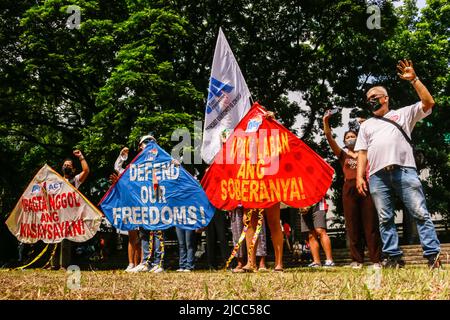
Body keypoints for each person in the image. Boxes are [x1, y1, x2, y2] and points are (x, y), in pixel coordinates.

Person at [355, 59, 441, 269]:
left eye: (375, 97)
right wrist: (359, 176)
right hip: (376, 176)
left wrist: (415, 80)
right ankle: (393, 258)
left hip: (405, 170)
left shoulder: (402, 114)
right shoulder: (366, 126)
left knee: (420, 212)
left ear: (386, 98)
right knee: (384, 219)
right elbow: (362, 153)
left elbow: (428, 103)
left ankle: (433, 256)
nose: (371, 100)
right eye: (368, 99)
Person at [323, 111, 381, 269]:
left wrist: (364, 125)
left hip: (365, 186)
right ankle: (357, 260)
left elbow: (371, 138)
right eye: (347, 137)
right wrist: (326, 121)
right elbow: (329, 137)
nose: (350, 139)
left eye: (352, 136)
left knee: (370, 225)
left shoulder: (366, 152)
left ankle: (376, 260)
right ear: (344, 141)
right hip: (349, 189)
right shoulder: (342, 154)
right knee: (353, 225)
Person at [51, 149, 89, 270]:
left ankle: (64, 265)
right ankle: (53, 264)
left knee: (65, 242)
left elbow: (86, 171)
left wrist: (81, 157)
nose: (66, 166)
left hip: (68, 217)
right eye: (64, 165)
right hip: (56, 216)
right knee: (53, 240)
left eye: (68, 165)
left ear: (73, 169)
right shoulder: (55, 182)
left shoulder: (74, 181)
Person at [229, 206, 268, 273]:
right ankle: (240, 263)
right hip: (236, 201)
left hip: (253, 200)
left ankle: (261, 263)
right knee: (237, 232)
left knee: (259, 229)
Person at [300, 198, 335, 268]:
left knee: (320, 230)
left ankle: (329, 260)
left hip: (318, 204)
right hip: (303, 204)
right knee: (311, 235)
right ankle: (316, 262)